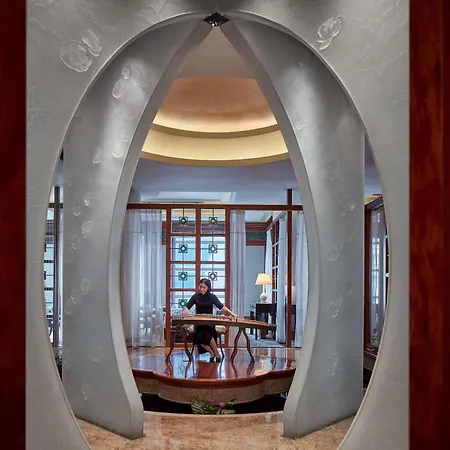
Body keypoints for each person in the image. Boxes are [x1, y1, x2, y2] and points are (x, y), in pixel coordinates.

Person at [183, 278, 237, 362]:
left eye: (204, 287)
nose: (201, 289)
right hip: (198, 322)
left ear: (208, 288)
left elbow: (221, 306)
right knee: (199, 335)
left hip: (209, 322)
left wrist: (232, 313)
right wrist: (186, 310)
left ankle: (216, 353)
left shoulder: (212, 297)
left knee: (207, 333)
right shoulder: (195, 296)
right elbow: (187, 306)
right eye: (200, 287)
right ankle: (213, 353)